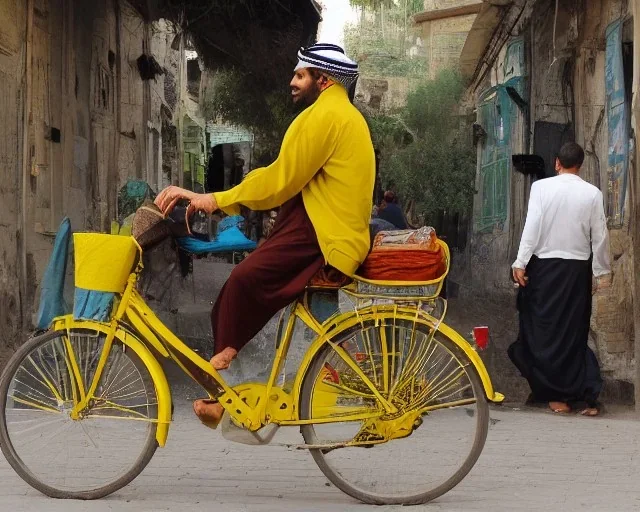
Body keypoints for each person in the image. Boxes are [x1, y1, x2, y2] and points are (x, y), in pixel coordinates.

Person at [155, 43, 375, 424]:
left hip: (324, 237)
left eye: (300, 75)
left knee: (243, 279)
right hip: (329, 233)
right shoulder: (339, 113)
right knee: (316, 325)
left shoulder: (325, 117)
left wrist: (214, 199)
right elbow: (279, 176)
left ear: (322, 81)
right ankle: (337, 384)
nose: (292, 82)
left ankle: (224, 372)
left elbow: (278, 182)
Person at [508, 142, 611, 416]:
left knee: (543, 331)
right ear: (581, 165)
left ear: (556, 163)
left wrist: (520, 262)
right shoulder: (593, 193)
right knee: (574, 332)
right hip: (577, 272)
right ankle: (583, 394)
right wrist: (602, 272)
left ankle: (556, 395)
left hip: (545, 270)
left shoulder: (541, 188)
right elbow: (599, 236)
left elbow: (533, 226)